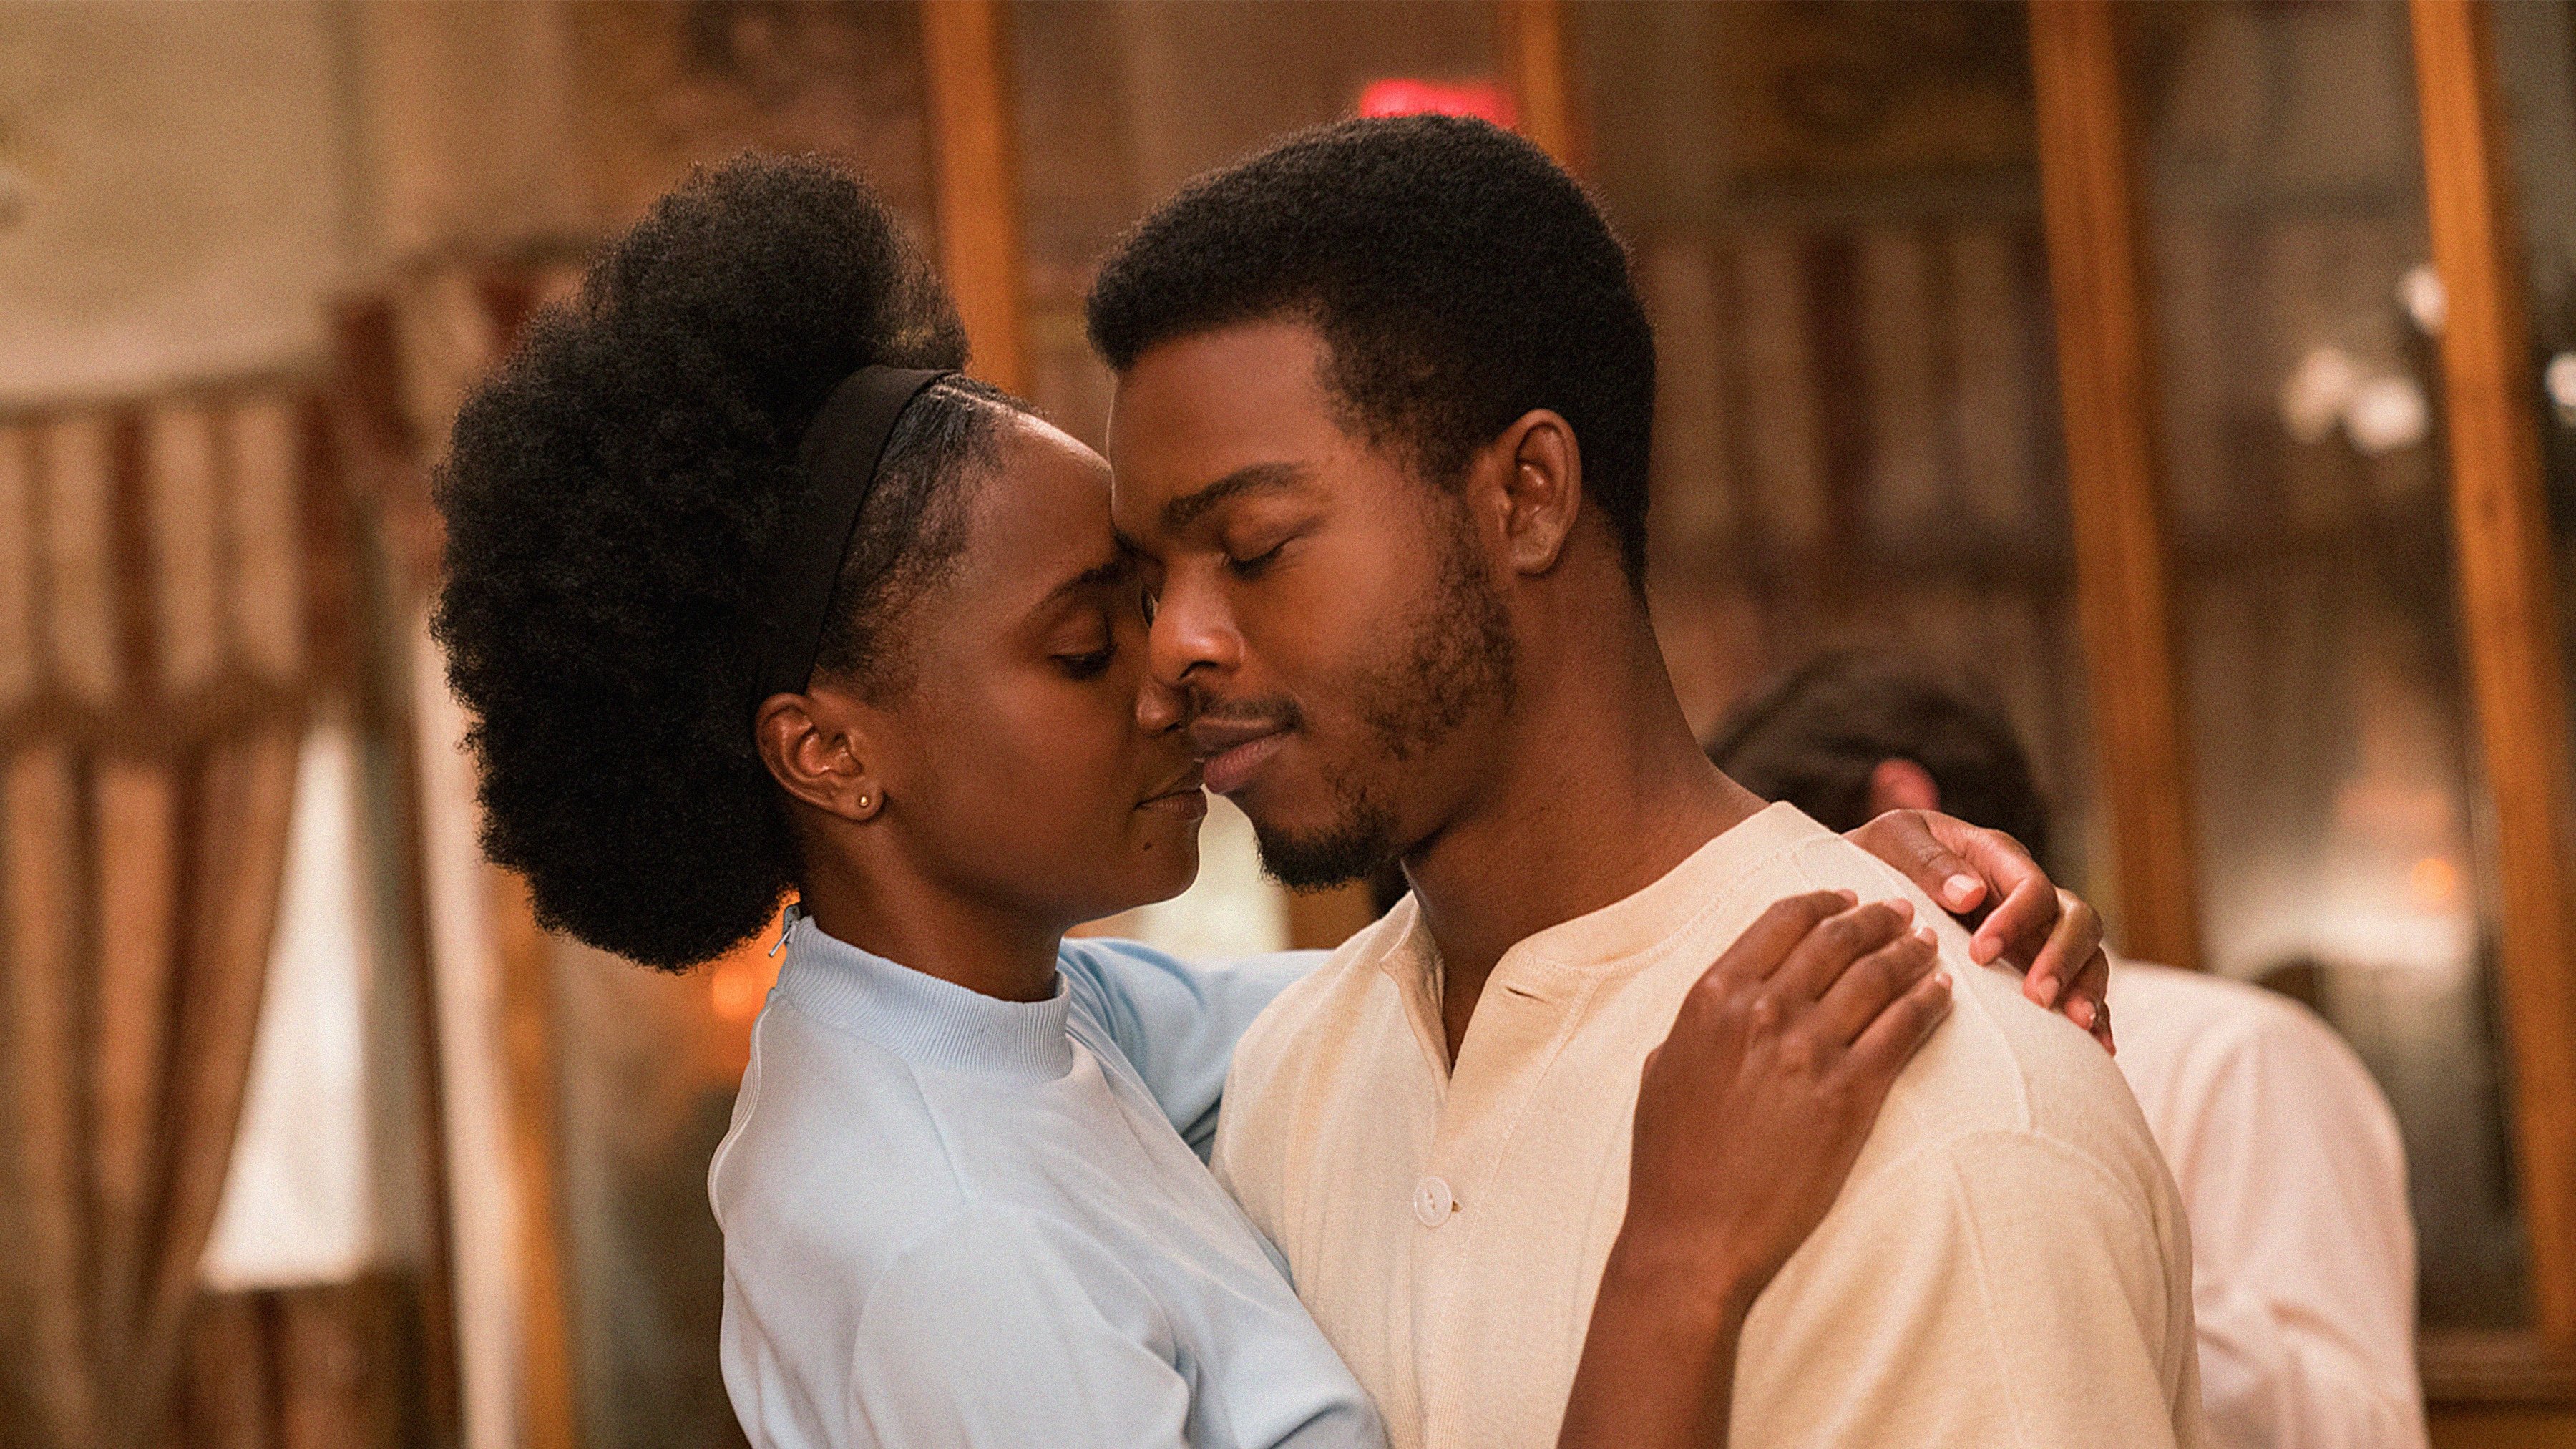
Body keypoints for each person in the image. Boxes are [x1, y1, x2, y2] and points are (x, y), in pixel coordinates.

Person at [430, 155, 2104, 1449]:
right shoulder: (955, 1245)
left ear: (1531, 492)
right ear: (828, 752)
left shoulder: (1034, 1024)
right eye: (1089, 642)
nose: (1174, 664)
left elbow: (1449, 993)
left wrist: (1780, 868)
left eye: (1228, 559)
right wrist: (1676, 1260)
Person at [1092, 113, 2201, 1449]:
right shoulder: (1293, 1079)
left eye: (1254, 546)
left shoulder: (1935, 1105)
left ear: (1529, 495)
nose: (1174, 645)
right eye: (1148, 584)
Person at [1707, 650, 2428, 1449]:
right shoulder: (1800, 1102)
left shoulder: (2237, 1053)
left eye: (1769, 864)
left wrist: (2076, 1227)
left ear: (1900, 811)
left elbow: (2361, 1431)